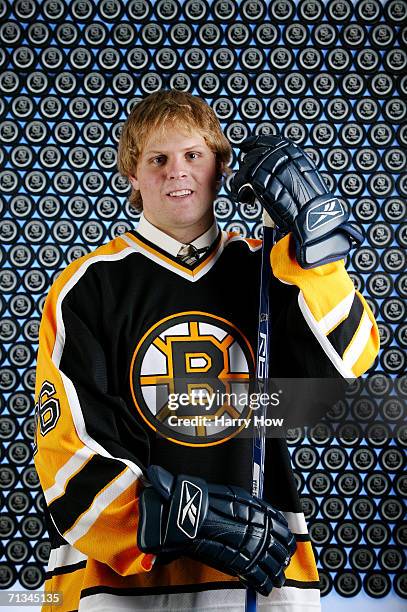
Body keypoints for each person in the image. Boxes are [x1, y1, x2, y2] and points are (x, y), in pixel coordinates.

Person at [33, 89, 379, 612]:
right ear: (132, 175)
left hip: (263, 571)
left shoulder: (271, 268)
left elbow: (345, 363)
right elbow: (65, 452)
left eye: (193, 155)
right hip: (122, 587)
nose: (177, 172)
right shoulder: (85, 288)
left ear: (220, 168)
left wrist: (315, 251)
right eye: (158, 159)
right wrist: (167, 514)